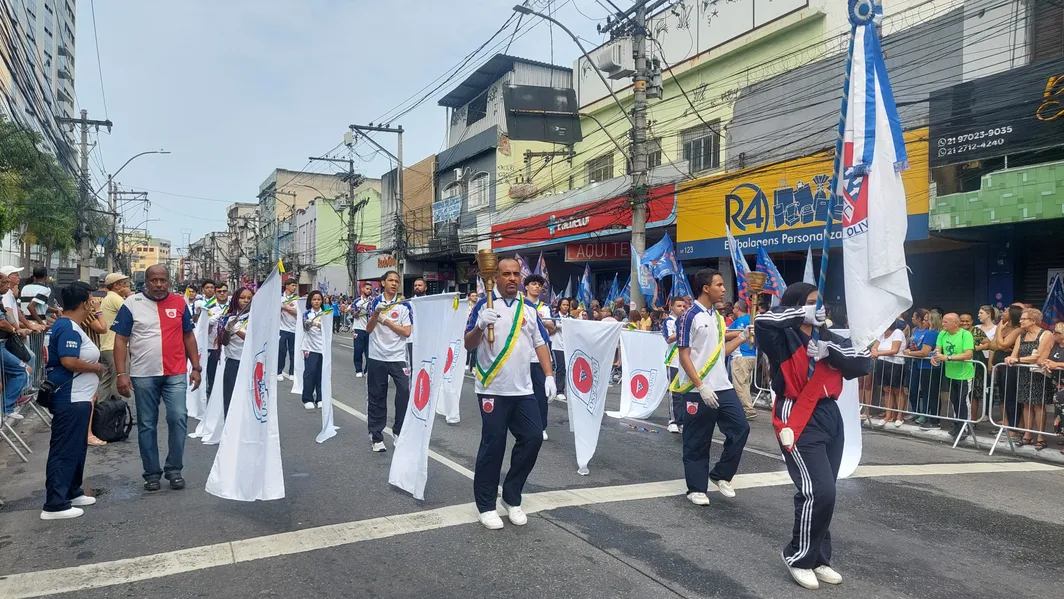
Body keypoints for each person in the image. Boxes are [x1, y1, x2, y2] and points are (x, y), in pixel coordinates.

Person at [754, 282, 870, 590]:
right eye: (810, 303)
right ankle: (798, 556)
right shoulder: (783, 335)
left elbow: (861, 364)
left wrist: (831, 350)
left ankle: (819, 557)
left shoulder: (827, 334)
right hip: (797, 413)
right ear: (795, 304)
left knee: (826, 490)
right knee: (818, 490)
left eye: (818, 303)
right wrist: (798, 315)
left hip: (830, 414)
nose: (817, 309)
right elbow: (762, 321)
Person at [465, 258, 555, 530]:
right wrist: (480, 325)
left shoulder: (528, 309)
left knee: (532, 437)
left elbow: (540, 343)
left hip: (523, 388)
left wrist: (550, 375)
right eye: (506, 274)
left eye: (516, 274)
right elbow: (468, 344)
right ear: (496, 278)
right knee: (493, 446)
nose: (513, 278)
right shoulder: (484, 305)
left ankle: (512, 496)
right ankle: (486, 505)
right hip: (492, 387)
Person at [111, 265, 201, 492]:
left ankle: (174, 469)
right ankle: (151, 473)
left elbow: (188, 335)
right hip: (143, 375)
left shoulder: (180, 303)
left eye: (163, 280)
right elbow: (120, 340)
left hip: (175, 372)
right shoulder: (132, 303)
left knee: (178, 418)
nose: (158, 284)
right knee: (147, 425)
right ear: (146, 281)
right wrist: (121, 374)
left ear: (168, 281)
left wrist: (196, 367)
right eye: (154, 280)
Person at [673, 269, 752, 506]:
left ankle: (721, 474)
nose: (724, 289)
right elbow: (683, 355)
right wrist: (700, 386)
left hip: (722, 386)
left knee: (741, 429)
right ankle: (696, 488)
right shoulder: (688, 316)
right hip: (698, 389)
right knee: (698, 439)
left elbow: (719, 355)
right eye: (719, 284)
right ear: (706, 288)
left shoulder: (718, 318)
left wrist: (742, 337)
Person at [40, 283, 107, 520]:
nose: (93, 303)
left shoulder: (71, 326)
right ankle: (55, 504)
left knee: (76, 447)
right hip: (70, 396)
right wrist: (97, 367)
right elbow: (69, 361)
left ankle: (72, 490)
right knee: (65, 449)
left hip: (80, 397)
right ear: (84, 303)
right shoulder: (67, 327)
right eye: (91, 299)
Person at [365, 270, 412, 453]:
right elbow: (368, 329)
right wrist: (376, 314)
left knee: (405, 393)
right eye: (390, 280)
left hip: (398, 356)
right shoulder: (373, 302)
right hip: (377, 356)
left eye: (397, 281)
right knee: (377, 396)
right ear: (383, 283)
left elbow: (406, 332)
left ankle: (398, 431)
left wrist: (387, 322)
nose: (394, 283)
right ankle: (376, 436)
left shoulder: (404, 305)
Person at [1005, 308, 1054, 450]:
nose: (1020, 321)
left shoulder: (1046, 334)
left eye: (1023, 318)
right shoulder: (1021, 336)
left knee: (1038, 405)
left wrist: (1018, 359)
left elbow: (1039, 356)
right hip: (1024, 373)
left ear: (1033, 321)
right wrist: (1010, 358)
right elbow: (1014, 354)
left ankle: (1040, 436)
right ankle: (1028, 434)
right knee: (1026, 404)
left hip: (1038, 374)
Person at [930, 313, 976, 441]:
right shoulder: (942, 334)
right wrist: (935, 357)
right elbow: (938, 349)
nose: (943, 324)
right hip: (950, 373)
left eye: (946, 322)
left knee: (963, 401)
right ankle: (958, 424)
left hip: (964, 374)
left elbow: (968, 354)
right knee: (954, 400)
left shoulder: (965, 334)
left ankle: (965, 427)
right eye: (943, 321)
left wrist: (948, 357)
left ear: (955, 323)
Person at [523, 274, 555, 441]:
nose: (536, 287)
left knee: (541, 395)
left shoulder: (545, 307)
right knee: (521, 394)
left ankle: (541, 426)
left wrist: (541, 319)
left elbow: (552, 328)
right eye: (533, 284)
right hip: (522, 358)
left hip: (539, 359)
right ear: (526, 287)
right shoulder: (520, 305)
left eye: (539, 285)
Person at [0, 271, 31, 419]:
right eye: (4, 283)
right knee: (22, 371)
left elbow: (8, 316)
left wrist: (18, 328)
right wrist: (14, 329)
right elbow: (2, 322)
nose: (8, 286)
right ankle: (6, 407)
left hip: (5, 343)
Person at [220, 287, 253, 417]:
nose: (245, 300)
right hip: (233, 361)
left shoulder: (257, 317)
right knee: (230, 396)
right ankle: (229, 429)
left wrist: (236, 330)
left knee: (248, 396)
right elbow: (224, 342)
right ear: (235, 299)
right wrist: (228, 329)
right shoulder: (228, 317)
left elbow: (252, 340)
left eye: (249, 298)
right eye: (242, 297)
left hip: (250, 362)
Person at [869, 323, 905, 428]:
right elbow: (874, 347)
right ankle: (888, 414)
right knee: (887, 389)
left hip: (896, 364)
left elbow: (894, 350)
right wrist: (876, 352)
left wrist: (878, 353)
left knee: (897, 390)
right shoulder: (881, 335)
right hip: (882, 362)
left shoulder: (897, 332)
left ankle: (899, 415)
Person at [728, 300, 758, 420]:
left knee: (740, 384)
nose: (733, 311)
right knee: (744, 384)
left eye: (734, 308)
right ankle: (745, 408)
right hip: (750, 355)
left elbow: (738, 333)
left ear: (737, 309)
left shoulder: (742, 320)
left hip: (741, 356)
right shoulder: (749, 319)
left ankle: (748, 409)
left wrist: (720, 334)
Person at [662, 296, 686, 434]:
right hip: (674, 362)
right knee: (675, 393)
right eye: (679, 306)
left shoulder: (687, 320)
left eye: (683, 306)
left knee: (685, 393)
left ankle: (682, 420)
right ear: (672, 307)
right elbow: (669, 339)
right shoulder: (669, 322)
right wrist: (681, 332)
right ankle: (673, 421)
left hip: (686, 362)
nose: (682, 308)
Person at [302, 290, 327, 409]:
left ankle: (320, 398)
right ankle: (307, 398)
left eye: (318, 299)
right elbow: (305, 328)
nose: (316, 302)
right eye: (314, 299)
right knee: (310, 373)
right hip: (310, 347)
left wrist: (317, 324)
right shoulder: (307, 314)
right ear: (310, 301)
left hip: (323, 348)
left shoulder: (326, 313)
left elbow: (328, 329)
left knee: (321, 373)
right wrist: (308, 324)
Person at [205, 283, 229, 397]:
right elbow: (204, 332)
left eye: (224, 291)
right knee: (212, 373)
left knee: (227, 374)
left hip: (229, 347)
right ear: (215, 293)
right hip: (213, 346)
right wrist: (208, 323)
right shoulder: (209, 308)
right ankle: (212, 396)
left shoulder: (233, 307)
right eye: (219, 291)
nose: (222, 293)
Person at [350, 282, 374, 378]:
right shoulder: (357, 301)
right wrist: (359, 310)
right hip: (359, 328)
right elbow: (353, 315)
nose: (369, 290)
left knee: (369, 351)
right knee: (358, 350)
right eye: (367, 288)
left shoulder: (373, 301)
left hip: (369, 329)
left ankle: (367, 370)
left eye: (370, 289)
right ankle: (358, 369)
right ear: (363, 289)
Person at [550, 297, 572, 401]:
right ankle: (559, 391)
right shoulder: (554, 317)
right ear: (559, 306)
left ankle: (571, 391)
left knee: (570, 368)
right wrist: (557, 326)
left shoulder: (571, 318)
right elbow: (549, 332)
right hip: (557, 346)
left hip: (569, 346)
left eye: (567, 305)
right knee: (561, 368)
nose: (566, 307)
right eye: (564, 305)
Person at [278, 278, 299, 382]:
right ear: (286, 286)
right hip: (281, 328)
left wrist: (285, 308)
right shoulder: (279, 298)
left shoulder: (297, 299)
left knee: (293, 352)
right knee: (281, 351)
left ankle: (292, 372)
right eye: (292, 285)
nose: (294, 287)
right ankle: (279, 371)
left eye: (295, 286)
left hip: (293, 329)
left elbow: (298, 312)